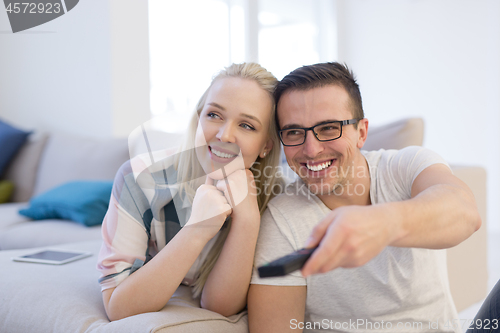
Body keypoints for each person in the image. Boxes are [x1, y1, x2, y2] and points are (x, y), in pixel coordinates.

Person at [248, 62, 482, 332]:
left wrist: (382, 224)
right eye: (294, 132)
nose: (311, 150)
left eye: (328, 128)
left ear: (361, 132)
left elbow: (464, 212)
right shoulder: (281, 220)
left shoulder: (405, 166)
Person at [97, 63, 284, 321]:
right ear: (198, 118)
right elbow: (119, 307)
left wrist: (248, 220)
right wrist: (197, 230)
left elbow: (219, 306)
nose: (224, 134)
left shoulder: (279, 197)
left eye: (247, 126)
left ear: (266, 145)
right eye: (214, 115)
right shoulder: (138, 177)